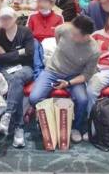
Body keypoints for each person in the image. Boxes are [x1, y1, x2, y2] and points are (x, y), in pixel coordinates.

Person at [28, 16, 100, 144]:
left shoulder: (93, 50)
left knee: (82, 100)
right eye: (71, 31)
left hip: (73, 76)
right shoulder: (66, 29)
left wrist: (68, 83)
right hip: (52, 70)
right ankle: (47, 120)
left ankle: (76, 127)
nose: (71, 35)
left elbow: (86, 75)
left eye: (75, 35)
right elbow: (57, 32)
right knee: (34, 98)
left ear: (85, 36)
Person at [0, 6, 35, 148]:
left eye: (8, 18)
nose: (5, 21)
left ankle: (7, 114)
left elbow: (29, 53)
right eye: (3, 18)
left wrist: (5, 55)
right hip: (6, 69)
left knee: (17, 78)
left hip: (26, 68)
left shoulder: (25, 32)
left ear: (15, 18)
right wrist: (18, 53)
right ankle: (19, 128)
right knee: (15, 83)